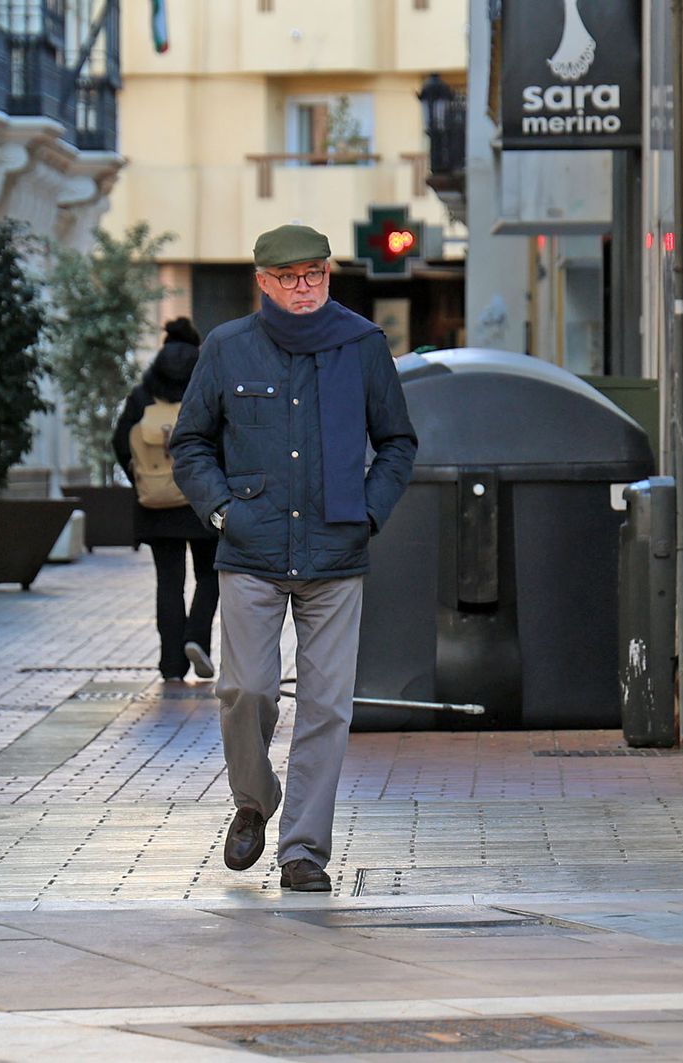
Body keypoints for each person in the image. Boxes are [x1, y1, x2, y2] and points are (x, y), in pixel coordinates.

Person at [171, 224, 417, 892]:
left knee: (327, 706)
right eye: (290, 277)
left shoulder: (361, 346)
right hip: (249, 549)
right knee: (244, 688)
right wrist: (223, 510)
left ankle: (302, 848)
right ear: (264, 282)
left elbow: (398, 441)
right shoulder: (227, 349)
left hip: (336, 553)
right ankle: (253, 799)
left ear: (328, 275)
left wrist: (368, 511)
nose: (304, 288)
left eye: (315, 274)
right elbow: (190, 443)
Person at [112, 318, 219, 682]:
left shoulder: (144, 393)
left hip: (155, 505)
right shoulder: (206, 385)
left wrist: (142, 478)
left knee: (168, 582)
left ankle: (171, 665)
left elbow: (120, 441)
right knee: (210, 574)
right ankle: (197, 638)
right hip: (203, 499)